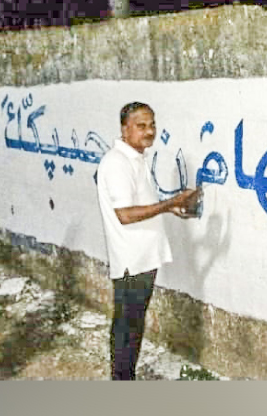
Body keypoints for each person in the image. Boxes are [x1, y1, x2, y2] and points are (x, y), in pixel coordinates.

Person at [96, 101, 201, 380]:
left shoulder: (135, 159)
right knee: (127, 328)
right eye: (141, 125)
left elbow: (140, 205)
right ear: (124, 128)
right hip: (132, 261)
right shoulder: (117, 163)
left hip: (144, 258)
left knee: (132, 326)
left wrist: (174, 208)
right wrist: (168, 204)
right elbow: (125, 215)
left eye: (152, 124)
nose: (149, 131)